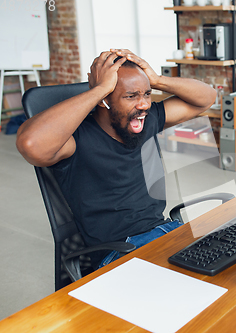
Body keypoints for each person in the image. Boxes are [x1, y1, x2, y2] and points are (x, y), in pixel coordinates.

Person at [16, 49, 216, 268]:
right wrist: (100, 89)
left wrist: (157, 80)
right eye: (131, 96)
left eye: (146, 94)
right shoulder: (76, 139)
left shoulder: (148, 119)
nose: (143, 105)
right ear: (104, 100)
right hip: (118, 251)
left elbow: (207, 98)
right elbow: (31, 144)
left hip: (165, 231)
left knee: (232, 269)